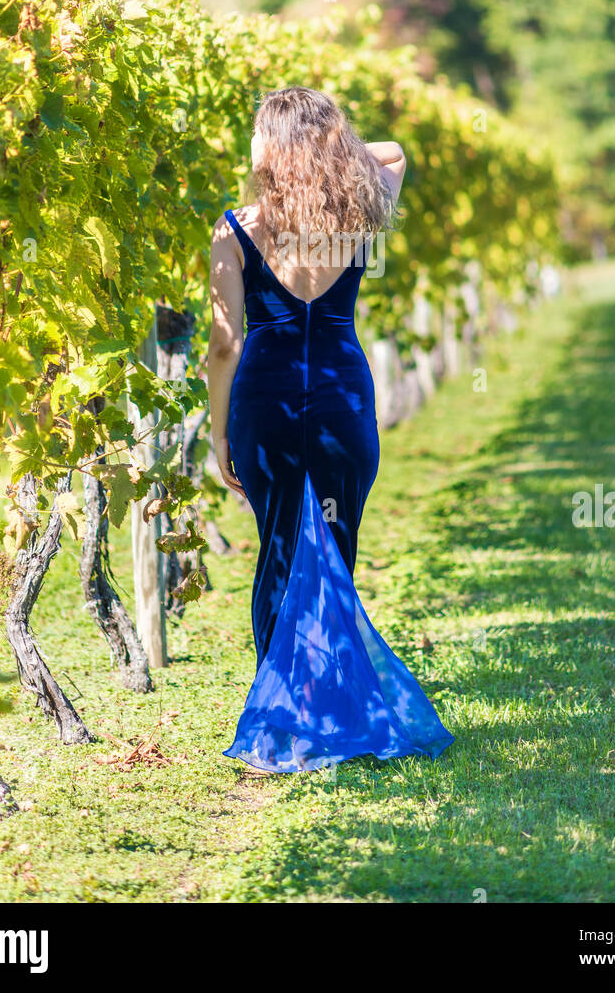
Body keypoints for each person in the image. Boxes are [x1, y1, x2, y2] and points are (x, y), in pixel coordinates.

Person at [208, 85, 454, 773]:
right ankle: (335, 710)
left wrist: (217, 432)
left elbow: (224, 347)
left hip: (266, 402)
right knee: (335, 552)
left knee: (279, 553)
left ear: (268, 148)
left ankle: (282, 722)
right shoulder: (358, 208)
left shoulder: (234, 229)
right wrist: (318, 152)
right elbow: (392, 151)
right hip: (344, 398)